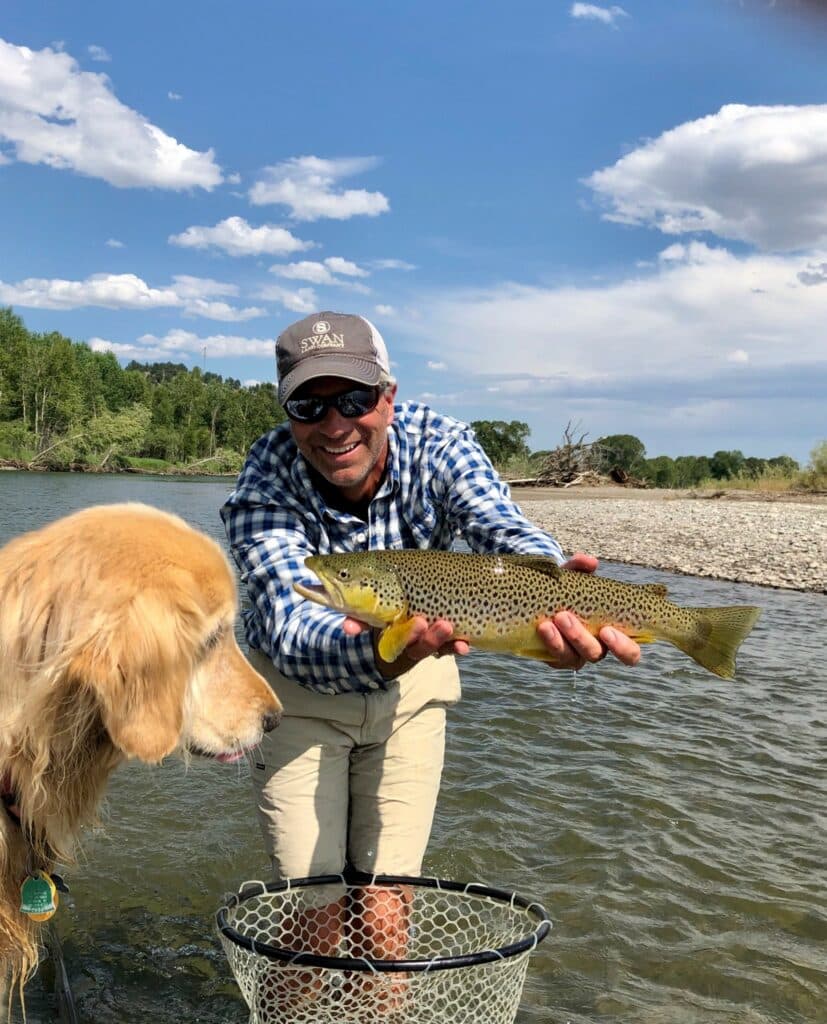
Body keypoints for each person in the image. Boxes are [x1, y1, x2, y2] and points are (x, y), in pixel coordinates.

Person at [220, 311, 640, 976]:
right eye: (309, 405)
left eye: (354, 399)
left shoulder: (441, 443)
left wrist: (554, 585)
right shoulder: (266, 473)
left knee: (386, 918)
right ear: (287, 412)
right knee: (314, 926)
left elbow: (497, 527)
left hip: (411, 699)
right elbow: (281, 619)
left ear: (387, 396)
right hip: (298, 698)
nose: (333, 425)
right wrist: (383, 648)